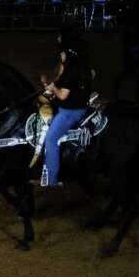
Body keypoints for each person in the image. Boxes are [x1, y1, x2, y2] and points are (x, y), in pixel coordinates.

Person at [37, 25, 91, 188]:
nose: (60, 55)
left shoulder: (71, 69)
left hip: (70, 112)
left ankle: (51, 180)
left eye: (62, 52)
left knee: (51, 139)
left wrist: (51, 87)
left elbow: (62, 95)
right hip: (75, 105)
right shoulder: (80, 61)